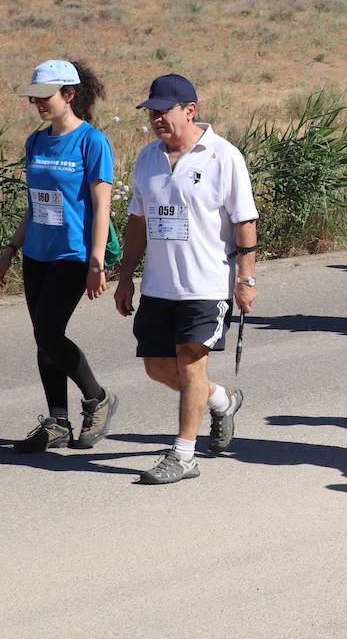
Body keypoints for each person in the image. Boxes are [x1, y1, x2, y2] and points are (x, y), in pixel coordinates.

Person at [115, 74, 257, 485]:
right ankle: (221, 399)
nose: (156, 119)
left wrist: (245, 280)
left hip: (207, 284)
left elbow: (244, 220)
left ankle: (183, 455)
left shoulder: (223, 156)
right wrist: (126, 277)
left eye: (164, 111)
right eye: (152, 112)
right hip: (159, 284)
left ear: (189, 110)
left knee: (191, 363)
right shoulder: (147, 158)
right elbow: (138, 221)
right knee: (158, 368)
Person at [3, 60, 119, 454]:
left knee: (49, 333)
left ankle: (98, 398)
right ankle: (57, 423)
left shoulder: (92, 141)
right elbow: (35, 205)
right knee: (43, 340)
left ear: (69, 95)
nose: (38, 104)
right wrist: (10, 248)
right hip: (38, 252)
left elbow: (102, 207)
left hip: (74, 254)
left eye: (45, 96)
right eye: (34, 98)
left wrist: (97, 261)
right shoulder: (36, 142)